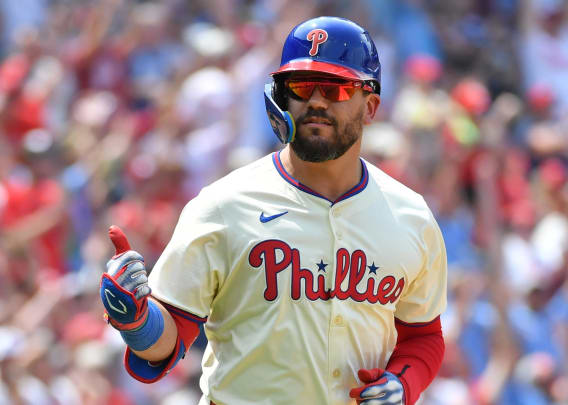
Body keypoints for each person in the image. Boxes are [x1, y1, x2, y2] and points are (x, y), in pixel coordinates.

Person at [99, 16, 447, 405]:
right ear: (281, 98)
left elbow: (423, 335)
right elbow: (171, 338)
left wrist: (403, 383)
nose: (315, 100)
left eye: (335, 89)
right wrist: (137, 322)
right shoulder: (224, 204)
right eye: (300, 86)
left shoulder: (411, 216)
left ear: (370, 107)